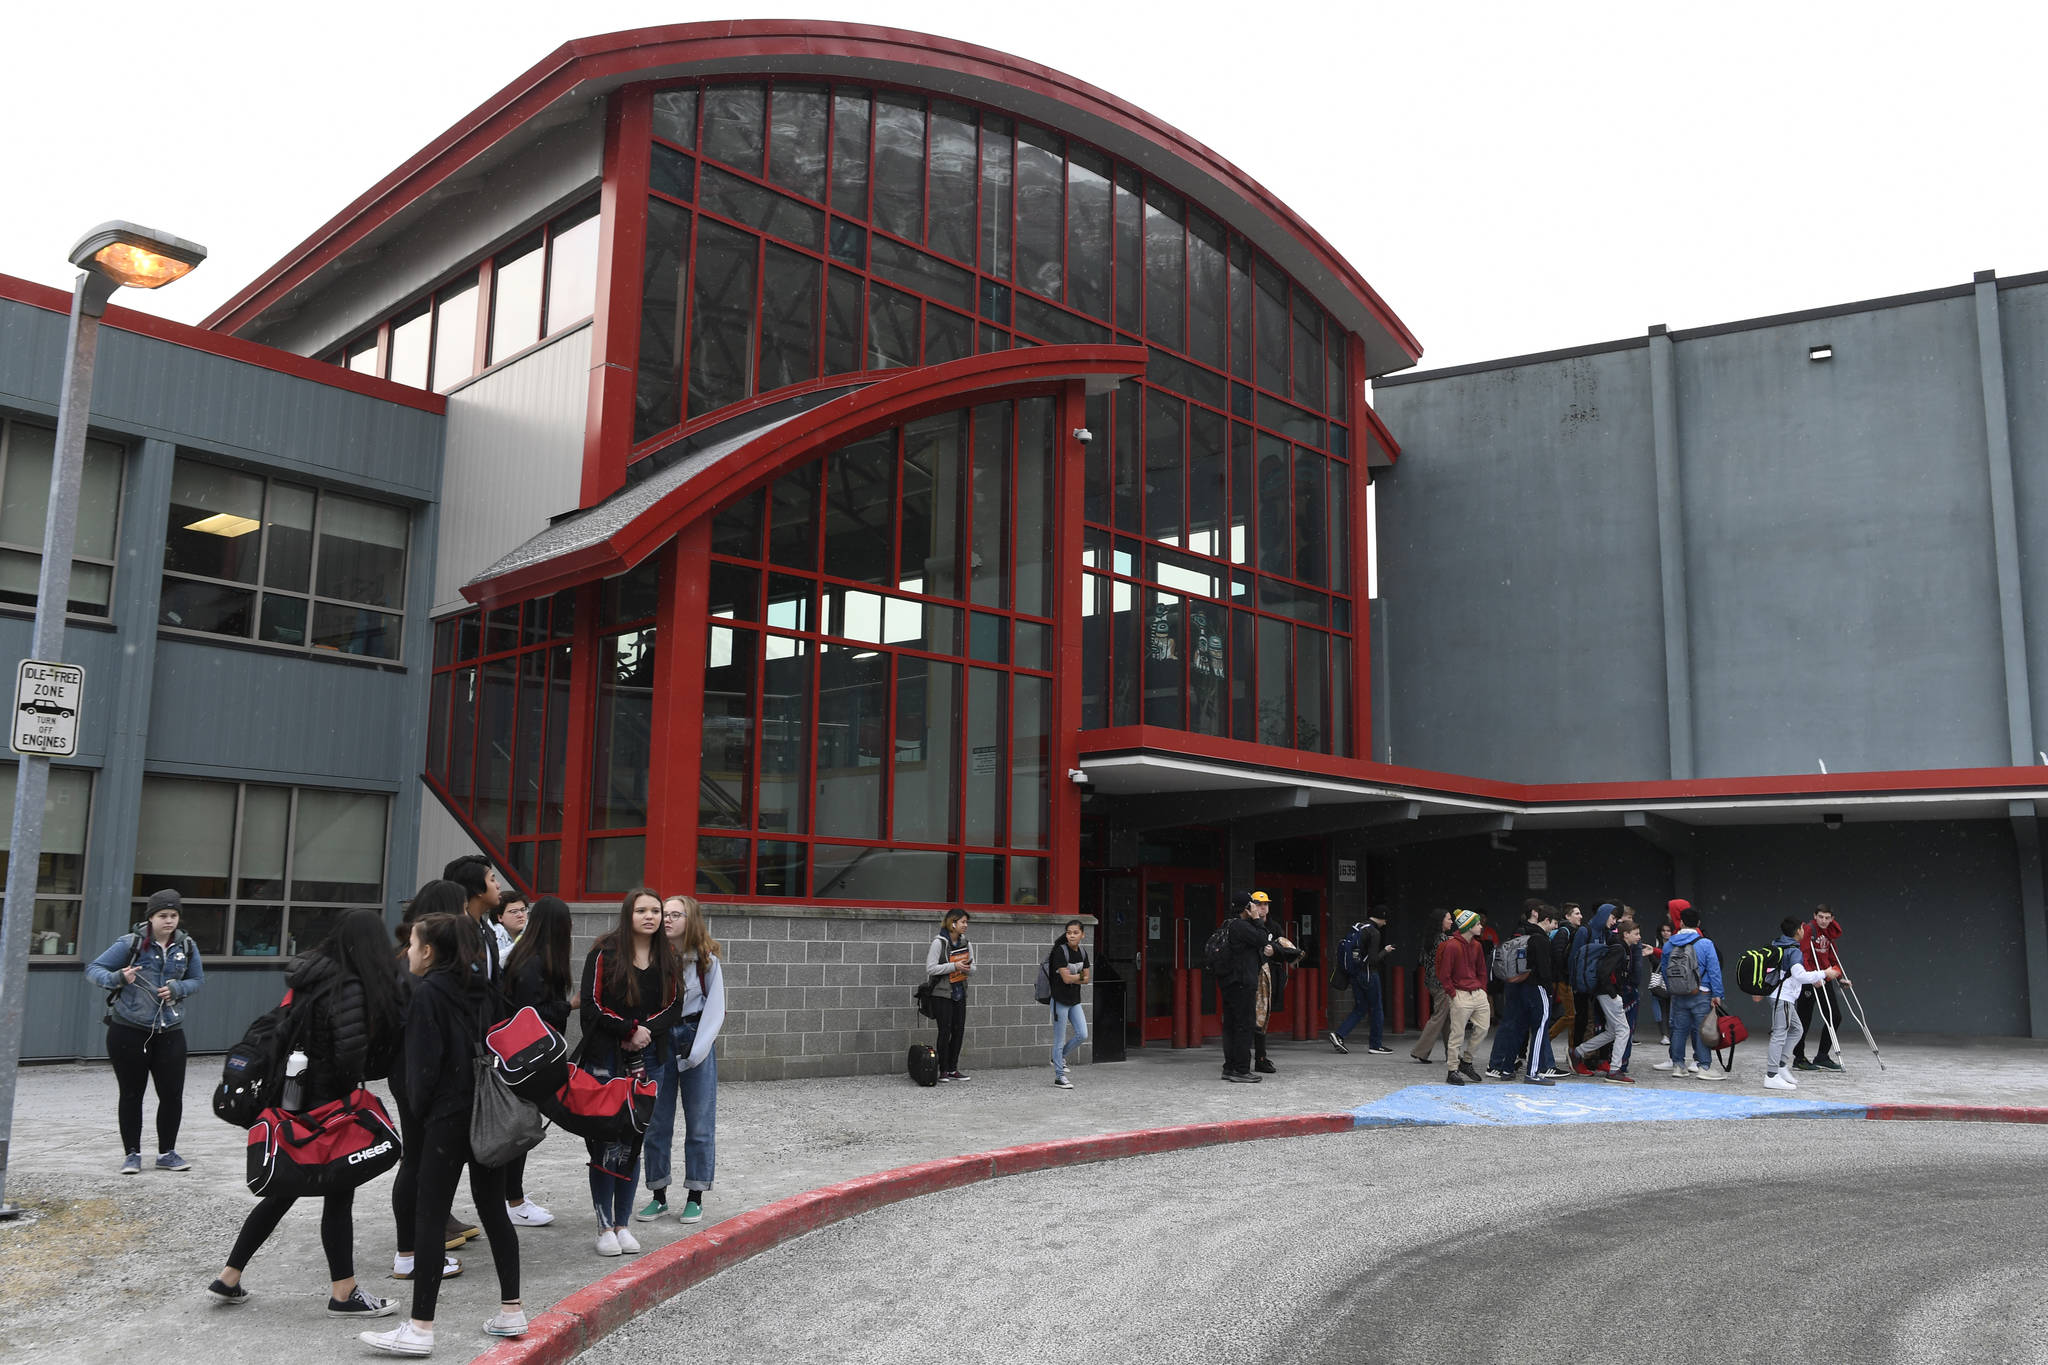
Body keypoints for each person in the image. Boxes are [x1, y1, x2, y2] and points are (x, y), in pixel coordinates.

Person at [207, 908, 402, 1315]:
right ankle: (344, 1294)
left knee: (284, 1191)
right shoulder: (348, 985)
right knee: (338, 1193)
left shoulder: (309, 977)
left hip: (292, 1094)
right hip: (325, 1103)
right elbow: (349, 1058)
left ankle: (229, 1276)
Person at [361, 911, 525, 1355]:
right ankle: (512, 1310)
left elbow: (422, 1070)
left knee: (429, 1216)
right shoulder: (485, 988)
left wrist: (421, 1108)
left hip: (445, 1119)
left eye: (413, 944)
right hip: (487, 1113)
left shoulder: (427, 994)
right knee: (493, 1210)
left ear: (430, 951)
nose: (409, 953)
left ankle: (420, 1327)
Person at [580, 888, 680, 1254]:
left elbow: (674, 1006)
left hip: (652, 1058)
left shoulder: (668, 954)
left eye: (656, 910)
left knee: (634, 1140)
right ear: (629, 914)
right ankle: (603, 1226)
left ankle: (623, 1223)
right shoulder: (604, 951)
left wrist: (644, 1032)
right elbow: (590, 1007)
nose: (651, 917)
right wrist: (627, 1030)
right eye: (642, 910)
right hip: (606, 1059)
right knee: (606, 1140)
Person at [85, 888, 204, 1174]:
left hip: (170, 1031)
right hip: (128, 1031)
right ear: (151, 917)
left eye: (174, 915)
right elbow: (93, 969)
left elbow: (197, 979)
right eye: (163, 915)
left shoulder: (186, 946)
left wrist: (178, 988)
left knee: (172, 1095)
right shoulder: (130, 944)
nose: (169, 921)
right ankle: (132, 1154)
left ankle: (167, 1153)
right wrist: (117, 977)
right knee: (131, 1094)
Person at [388, 881, 471, 1283]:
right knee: (419, 1161)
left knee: (418, 1160)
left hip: (415, 1077)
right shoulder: (419, 975)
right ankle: (411, 1252)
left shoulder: (419, 969)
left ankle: (414, 1249)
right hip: (418, 1079)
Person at [639, 895, 725, 1223]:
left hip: (694, 1037)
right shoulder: (651, 958)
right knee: (656, 1121)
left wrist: (696, 1053)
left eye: (677, 914)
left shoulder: (706, 961)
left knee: (700, 1122)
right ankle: (658, 1194)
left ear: (691, 920)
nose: (668, 919)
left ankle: (695, 1195)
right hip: (659, 1040)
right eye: (666, 914)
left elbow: (715, 1011)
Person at [500, 896, 576, 1229]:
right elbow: (528, 1014)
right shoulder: (532, 962)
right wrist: (570, 1005)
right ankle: (513, 1201)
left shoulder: (529, 955)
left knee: (522, 1128)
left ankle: (511, 1198)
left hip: (523, 1059)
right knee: (521, 1129)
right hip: (525, 1061)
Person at [1763, 916, 1843, 1090]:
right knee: (1779, 1035)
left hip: (1782, 996)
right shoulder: (1794, 950)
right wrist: (1824, 973)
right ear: (1799, 930)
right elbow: (1800, 975)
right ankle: (1771, 1075)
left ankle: (1782, 1066)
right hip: (1783, 997)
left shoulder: (1778, 943)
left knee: (1797, 1029)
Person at [1488, 902, 1559, 1086]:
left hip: (1520, 987)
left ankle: (1506, 1068)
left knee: (1517, 1028)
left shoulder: (1522, 932)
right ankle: (1533, 1072)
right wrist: (1549, 990)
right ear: (1546, 920)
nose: (1555, 927)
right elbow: (1543, 970)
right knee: (1540, 1029)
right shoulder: (1540, 939)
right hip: (1537, 987)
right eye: (1554, 923)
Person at [1652, 905, 1724, 1079]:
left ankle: (1678, 1066)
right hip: (1701, 992)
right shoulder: (1705, 943)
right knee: (1702, 1030)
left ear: (1681, 922)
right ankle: (1704, 1067)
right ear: (1698, 923)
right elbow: (1714, 970)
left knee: (1678, 1030)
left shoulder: (1670, 944)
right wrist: (1718, 994)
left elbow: (1665, 970)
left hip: (1678, 994)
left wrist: (1672, 989)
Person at [1217, 891, 1278, 1083]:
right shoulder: (1242, 926)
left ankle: (1229, 1067)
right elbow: (1263, 939)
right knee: (1244, 1025)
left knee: (1231, 1026)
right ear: (1247, 908)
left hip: (1230, 982)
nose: (1256, 907)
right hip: (1242, 983)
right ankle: (1241, 1069)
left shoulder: (1228, 924)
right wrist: (1257, 920)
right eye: (1252, 905)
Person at [1572, 918, 1640, 1084]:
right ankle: (1615, 1070)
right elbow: (1604, 972)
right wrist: (1613, 994)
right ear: (1626, 934)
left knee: (1611, 1031)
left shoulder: (1619, 947)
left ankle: (1578, 1052)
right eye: (1636, 934)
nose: (1639, 937)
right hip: (1609, 994)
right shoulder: (1619, 949)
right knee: (1623, 1030)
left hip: (1604, 994)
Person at [1247, 895, 1302, 1074]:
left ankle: (1260, 1057)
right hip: (1251, 976)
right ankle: (1244, 1058)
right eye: (1259, 904)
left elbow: (1286, 950)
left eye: (1266, 904)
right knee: (1251, 1018)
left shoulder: (1274, 926)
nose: (1263, 908)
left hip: (1269, 978)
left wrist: (1274, 951)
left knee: (1262, 1017)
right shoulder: (1245, 925)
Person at [1328, 907, 1393, 1054]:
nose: (1386, 922)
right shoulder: (1374, 933)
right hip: (1369, 974)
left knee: (1360, 1008)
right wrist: (1385, 951)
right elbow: (1373, 960)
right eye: (1385, 919)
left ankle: (1339, 1035)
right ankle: (1376, 1045)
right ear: (1381, 918)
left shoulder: (1358, 926)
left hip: (1354, 974)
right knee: (1377, 1009)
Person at [1437, 909, 1490, 1085]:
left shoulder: (1476, 945)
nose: (1481, 926)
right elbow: (1444, 974)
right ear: (1468, 927)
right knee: (1457, 1034)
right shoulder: (1452, 946)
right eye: (1477, 924)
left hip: (1477, 993)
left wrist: (1482, 989)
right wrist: (1453, 993)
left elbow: (1482, 969)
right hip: (1460, 993)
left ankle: (1466, 1062)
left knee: (1483, 1028)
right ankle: (1452, 1069)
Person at [923, 910, 976, 1081]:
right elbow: (930, 968)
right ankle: (943, 1070)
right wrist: (954, 966)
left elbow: (973, 967)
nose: (965, 925)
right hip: (942, 994)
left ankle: (953, 1068)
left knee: (958, 1030)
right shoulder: (939, 943)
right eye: (963, 922)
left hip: (960, 992)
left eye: (966, 922)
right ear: (952, 923)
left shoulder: (966, 943)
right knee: (944, 1031)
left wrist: (967, 968)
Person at [1793, 905, 1846, 1072]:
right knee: (1804, 1019)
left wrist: (1839, 976)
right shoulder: (1809, 930)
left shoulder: (1828, 933)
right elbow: (1804, 955)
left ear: (1832, 918)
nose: (1824, 920)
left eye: (1827, 917)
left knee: (1835, 1016)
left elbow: (1831, 956)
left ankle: (1822, 1056)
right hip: (1809, 979)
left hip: (1824, 977)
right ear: (1814, 916)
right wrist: (1811, 976)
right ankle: (1799, 1058)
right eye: (1821, 917)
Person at [1046, 918, 1092, 1089]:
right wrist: (1078, 977)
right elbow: (1066, 979)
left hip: (1074, 1001)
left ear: (1082, 935)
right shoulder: (1060, 952)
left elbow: (1087, 979)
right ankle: (1059, 1076)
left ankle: (1058, 1058)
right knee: (1059, 1039)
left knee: (1083, 1034)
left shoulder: (1083, 953)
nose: (1072, 936)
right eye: (1069, 932)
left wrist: (1076, 978)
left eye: (1075, 933)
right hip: (1060, 1001)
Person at [1409, 910, 1456, 1065]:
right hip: (1442, 983)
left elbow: (1422, 959)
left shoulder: (1430, 938)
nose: (1451, 922)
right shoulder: (1443, 939)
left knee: (1447, 1019)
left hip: (1431, 981)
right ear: (1441, 921)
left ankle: (1452, 1054)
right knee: (1439, 1017)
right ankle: (1420, 1051)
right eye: (1449, 919)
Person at [493, 891, 529, 959]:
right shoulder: (492, 936)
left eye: (523, 910)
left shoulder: (533, 932)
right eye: (514, 912)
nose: (520, 915)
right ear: (500, 917)